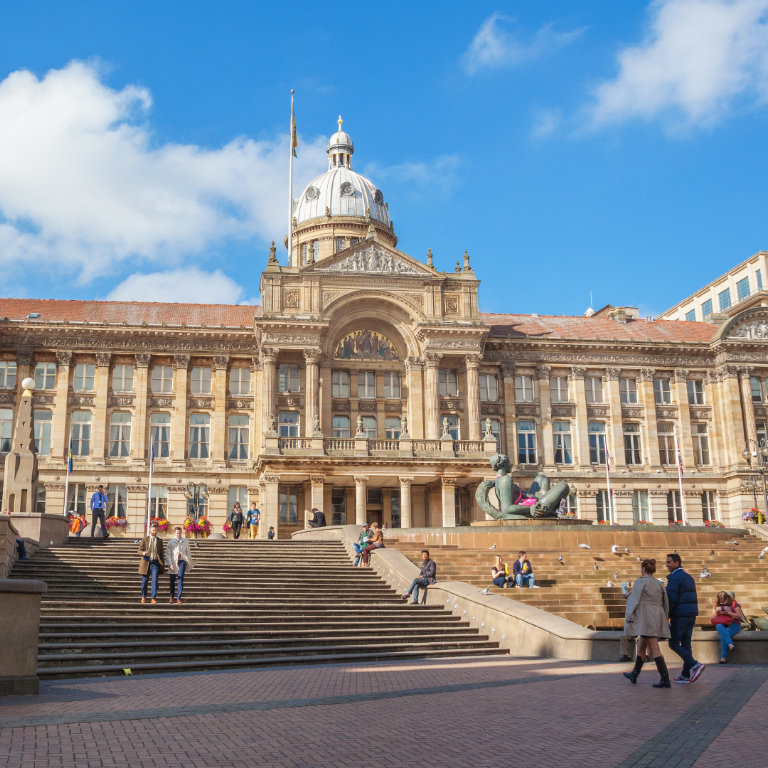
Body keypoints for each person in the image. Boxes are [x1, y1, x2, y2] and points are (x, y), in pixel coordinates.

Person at [623, 558, 672, 688]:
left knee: (655, 649)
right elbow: (665, 604)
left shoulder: (640, 581)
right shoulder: (659, 584)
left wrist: (629, 616)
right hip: (657, 617)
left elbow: (635, 600)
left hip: (645, 618)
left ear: (643, 569)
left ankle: (665, 679)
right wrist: (665, 619)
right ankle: (634, 674)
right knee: (641, 647)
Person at [666, 553, 705, 684]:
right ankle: (685, 674)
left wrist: (667, 615)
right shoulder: (689, 577)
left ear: (677, 563)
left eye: (669, 562)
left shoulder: (674, 578)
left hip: (679, 616)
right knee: (686, 644)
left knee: (673, 643)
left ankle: (694, 664)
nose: (667, 565)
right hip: (691, 615)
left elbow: (671, 599)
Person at [711, 591, 743, 663]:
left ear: (728, 598)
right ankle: (730, 644)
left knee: (724, 634)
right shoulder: (716, 604)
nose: (723, 603)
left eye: (725, 601)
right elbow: (713, 617)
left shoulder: (734, 603)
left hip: (734, 624)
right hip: (723, 624)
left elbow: (739, 616)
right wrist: (718, 613)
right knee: (719, 626)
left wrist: (728, 613)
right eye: (721, 602)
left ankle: (723, 658)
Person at [138, 521, 165, 604]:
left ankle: (153, 597)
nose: (155, 532)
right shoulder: (145, 539)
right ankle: (143, 597)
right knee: (144, 581)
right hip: (146, 562)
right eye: (153, 530)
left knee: (155, 580)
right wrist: (142, 553)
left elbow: (161, 553)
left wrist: (162, 565)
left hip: (155, 563)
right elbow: (139, 550)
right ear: (150, 530)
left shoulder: (159, 541)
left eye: (156, 530)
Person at [166, 526, 193, 604]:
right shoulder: (170, 542)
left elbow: (188, 553)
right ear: (175, 533)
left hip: (182, 562)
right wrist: (169, 564)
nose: (178, 535)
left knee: (180, 580)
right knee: (172, 581)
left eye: (180, 533)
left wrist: (189, 565)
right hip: (173, 562)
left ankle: (178, 598)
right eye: (177, 533)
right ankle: (171, 597)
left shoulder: (185, 541)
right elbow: (168, 554)